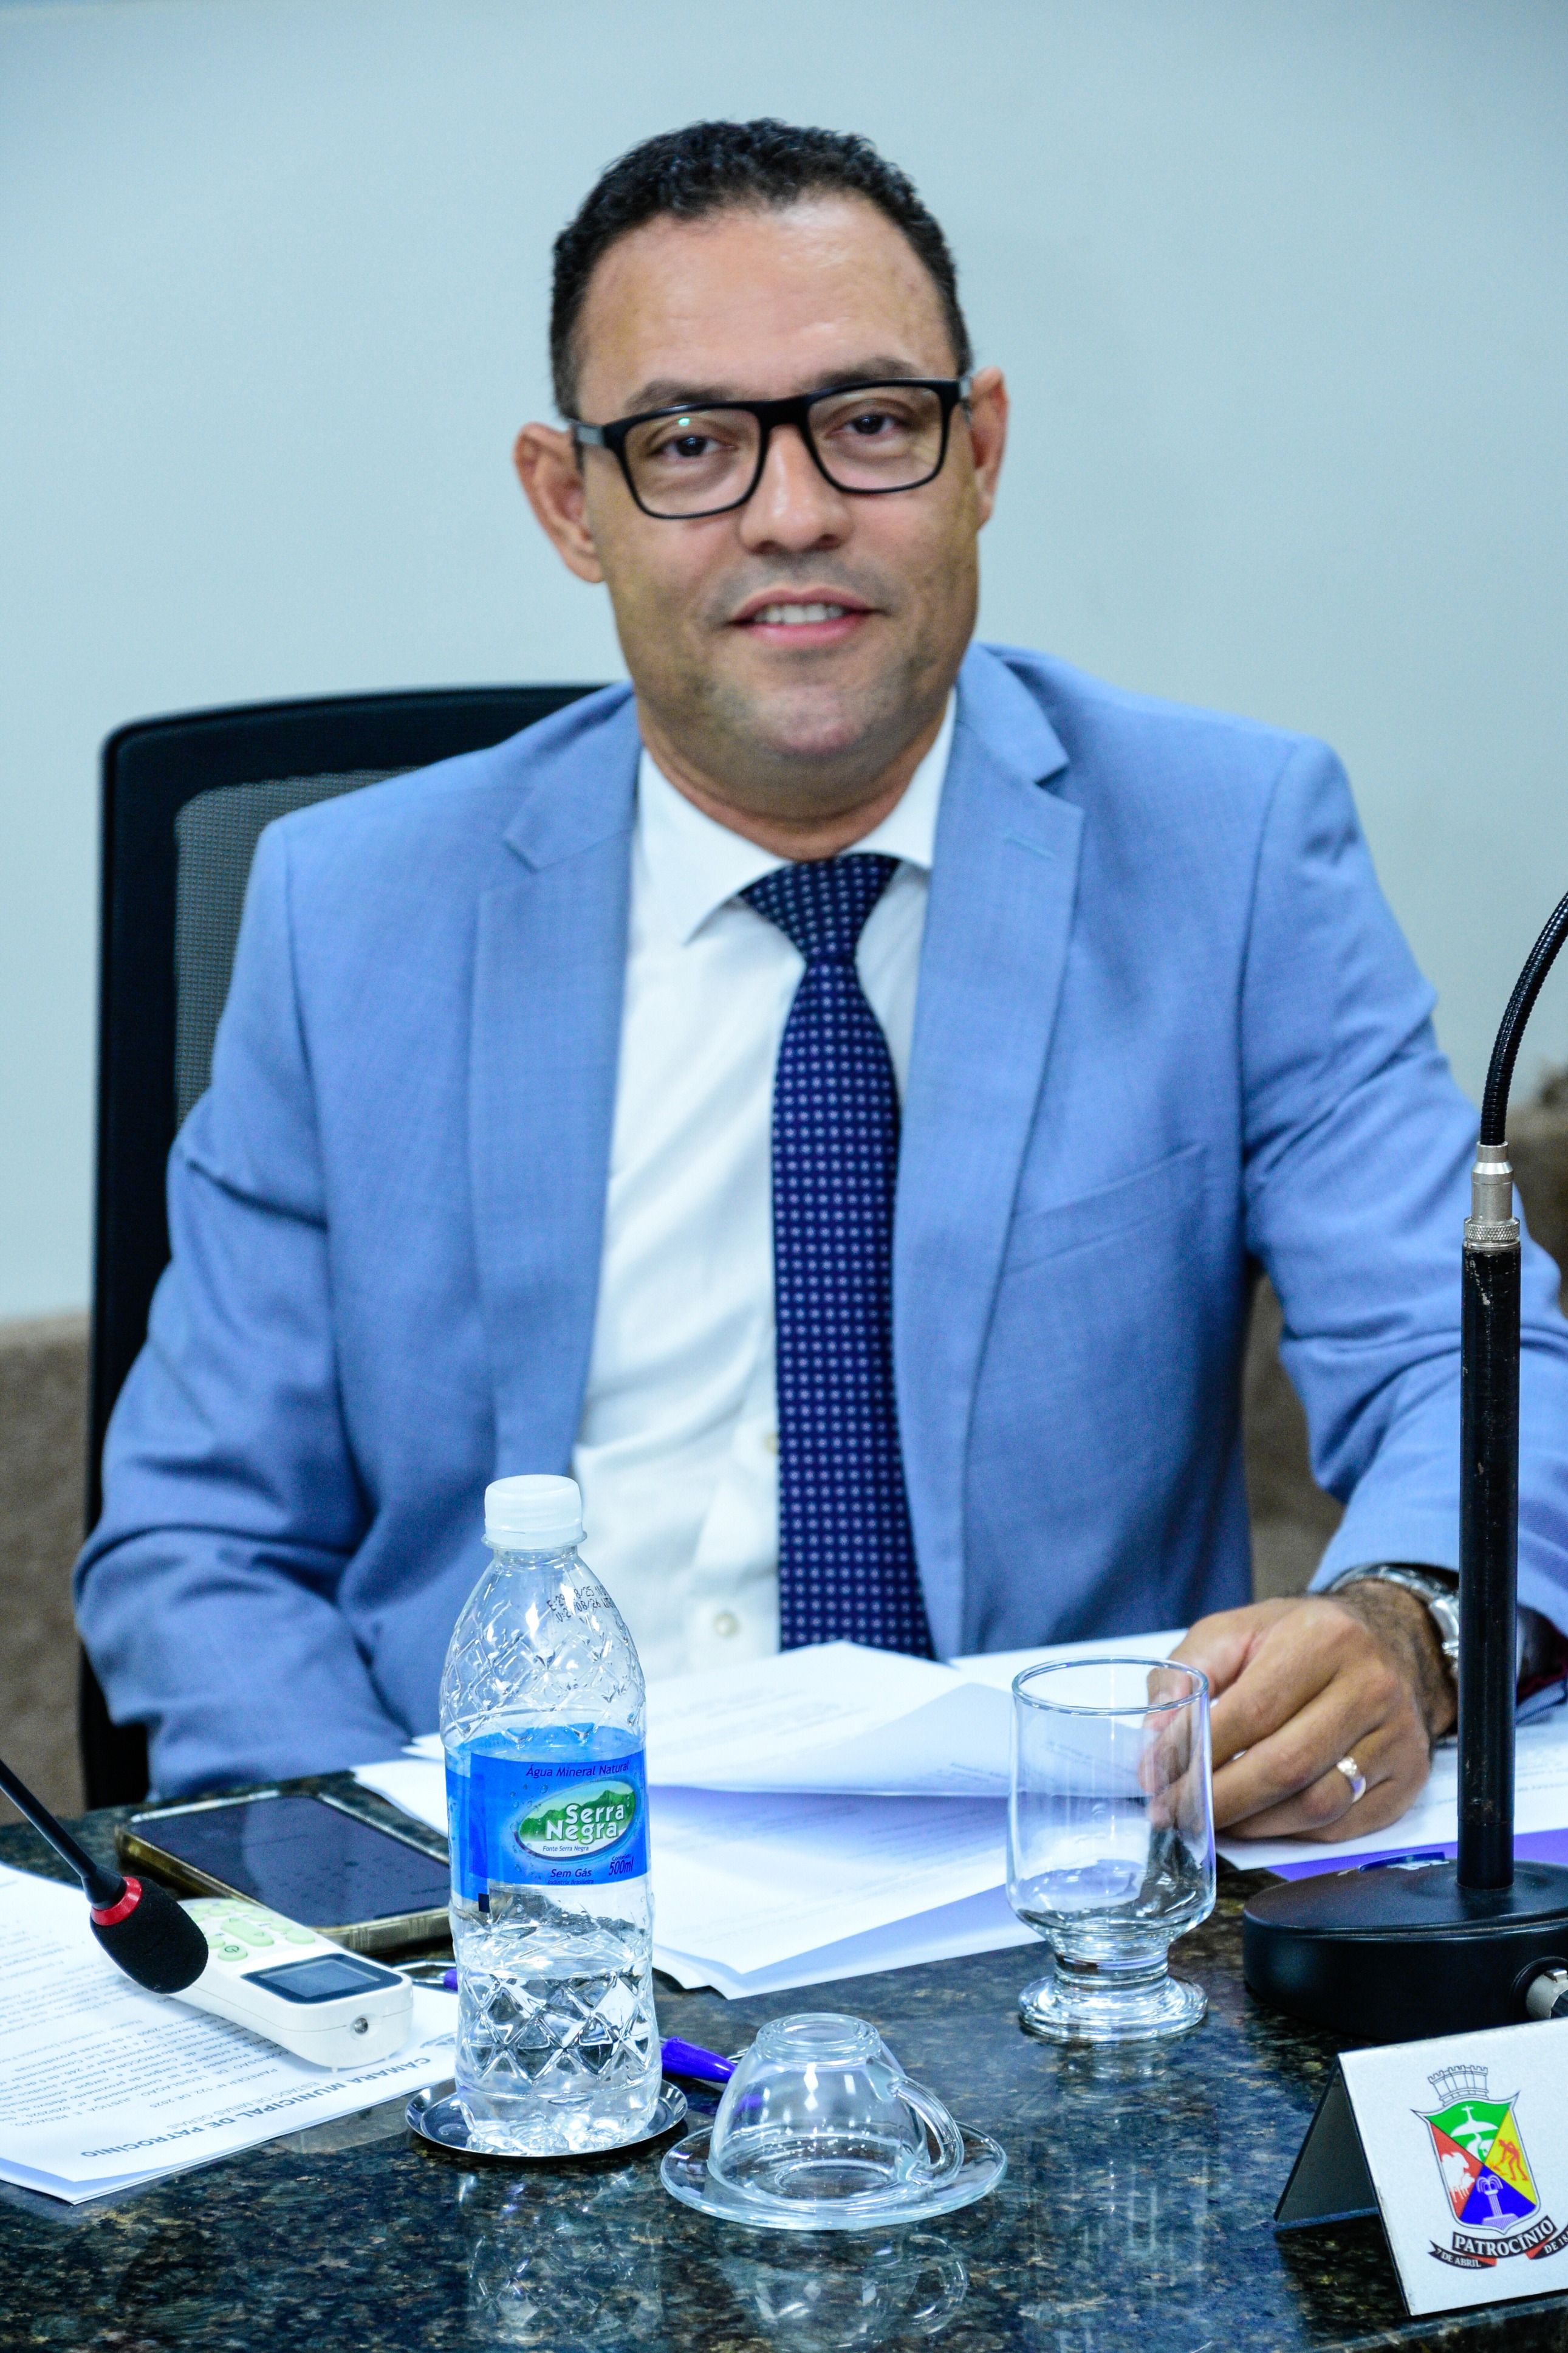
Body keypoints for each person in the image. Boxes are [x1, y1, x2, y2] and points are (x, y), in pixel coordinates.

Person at [77, 119, 1568, 1841]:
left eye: (868, 423)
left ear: (979, 450)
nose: (793, 515)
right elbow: (201, 1542)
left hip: (1061, 1876)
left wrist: (1411, 1625)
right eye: (689, 443)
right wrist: (418, 1897)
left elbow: (1472, 1363)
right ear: (570, 503)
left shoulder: (1228, 853)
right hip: (511, 1882)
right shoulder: (347, 910)